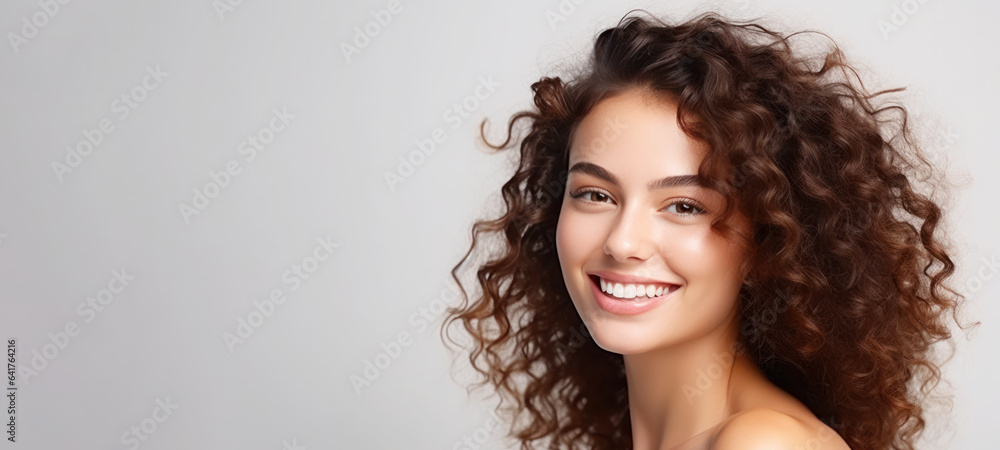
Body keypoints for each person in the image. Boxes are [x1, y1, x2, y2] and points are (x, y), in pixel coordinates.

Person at [440, 9, 974, 450]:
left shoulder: (762, 443)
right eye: (596, 195)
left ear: (765, 241)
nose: (623, 242)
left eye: (685, 206)